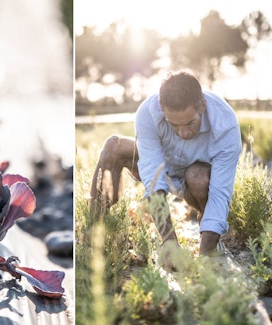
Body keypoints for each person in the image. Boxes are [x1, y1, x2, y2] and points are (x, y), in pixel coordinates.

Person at [90, 71, 242, 269]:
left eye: (190, 123)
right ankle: (91, 229)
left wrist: (203, 260)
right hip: (162, 163)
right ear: (162, 110)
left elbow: (220, 194)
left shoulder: (226, 124)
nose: (183, 133)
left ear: (202, 105)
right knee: (114, 146)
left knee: (199, 178)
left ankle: (210, 239)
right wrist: (170, 242)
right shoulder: (147, 112)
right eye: (174, 125)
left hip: (195, 176)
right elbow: (154, 177)